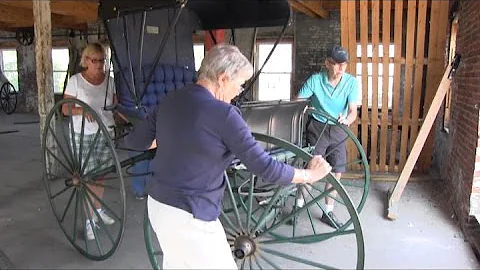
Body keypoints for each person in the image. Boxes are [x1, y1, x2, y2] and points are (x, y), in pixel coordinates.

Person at [125, 44, 332, 269]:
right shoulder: (225, 115)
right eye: (239, 83)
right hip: (192, 217)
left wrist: (171, 137)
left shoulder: (170, 99)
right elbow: (265, 167)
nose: (239, 90)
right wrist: (309, 175)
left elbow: (137, 142)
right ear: (223, 79)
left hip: (158, 207)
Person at [296, 45, 360, 229]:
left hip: (339, 129)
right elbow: (298, 101)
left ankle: (328, 211)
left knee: (336, 172)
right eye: (336, 64)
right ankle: (298, 207)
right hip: (317, 128)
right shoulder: (315, 80)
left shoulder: (351, 83)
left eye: (344, 65)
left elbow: (353, 111)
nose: (340, 68)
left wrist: (347, 119)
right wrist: (303, 107)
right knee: (312, 169)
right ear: (327, 63)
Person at [62, 42, 117, 241]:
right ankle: (88, 221)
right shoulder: (76, 81)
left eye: (102, 61)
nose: (100, 65)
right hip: (84, 135)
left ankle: (98, 211)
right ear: (86, 61)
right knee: (88, 179)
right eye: (95, 61)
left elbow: (114, 105)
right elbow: (64, 109)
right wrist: (81, 110)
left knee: (101, 176)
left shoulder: (109, 81)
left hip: (105, 133)